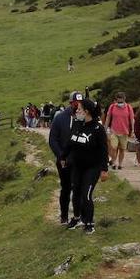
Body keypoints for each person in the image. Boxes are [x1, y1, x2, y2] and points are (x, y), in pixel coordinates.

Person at [63, 98, 110, 234]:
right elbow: (70, 142)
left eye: (79, 109)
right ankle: (77, 218)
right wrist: (63, 156)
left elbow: (103, 150)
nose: (76, 111)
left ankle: (89, 223)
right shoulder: (77, 124)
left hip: (92, 167)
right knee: (76, 192)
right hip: (77, 166)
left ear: (87, 111)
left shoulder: (98, 128)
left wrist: (104, 169)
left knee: (86, 194)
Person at [49, 92, 83, 225]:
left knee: (79, 187)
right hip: (64, 160)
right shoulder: (60, 118)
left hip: (80, 160)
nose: (77, 105)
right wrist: (60, 156)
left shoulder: (84, 117)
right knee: (66, 187)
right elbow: (53, 139)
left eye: (80, 103)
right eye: (75, 103)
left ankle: (78, 216)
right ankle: (64, 215)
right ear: (70, 103)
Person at [103, 92, 135, 170]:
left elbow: (132, 119)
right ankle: (114, 163)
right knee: (114, 147)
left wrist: (133, 130)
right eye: (118, 100)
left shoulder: (128, 107)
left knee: (122, 149)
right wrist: (105, 128)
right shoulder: (112, 107)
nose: (119, 102)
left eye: (121, 100)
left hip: (124, 131)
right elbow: (108, 118)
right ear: (116, 99)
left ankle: (120, 164)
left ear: (124, 99)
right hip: (114, 131)